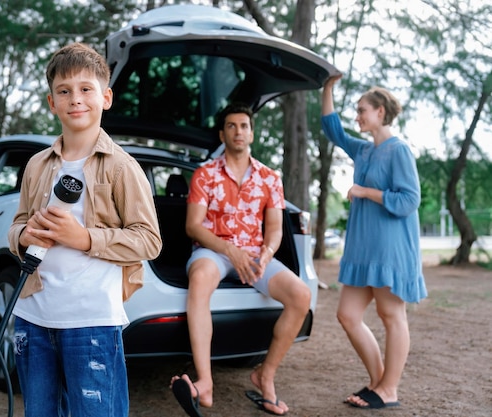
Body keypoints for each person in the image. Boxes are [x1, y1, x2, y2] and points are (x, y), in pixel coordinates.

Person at [8, 42, 162, 417]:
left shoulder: (122, 168)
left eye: (85, 89)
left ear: (106, 97)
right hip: (33, 316)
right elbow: (17, 225)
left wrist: (85, 238)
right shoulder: (36, 166)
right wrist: (24, 237)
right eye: (64, 91)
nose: (75, 99)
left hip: (90, 321)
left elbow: (149, 240)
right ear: (51, 102)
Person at [170, 103, 312, 416]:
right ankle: (204, 383)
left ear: (251, 131)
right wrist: (228, 250)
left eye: (244, 125)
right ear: (223, 134)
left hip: (254, 253)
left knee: (301, 295)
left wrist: (267, 252)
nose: (238, 131)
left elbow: (274, 228)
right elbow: (193, 226)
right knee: (200, 278)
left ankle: (266, 375)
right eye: (232, 126)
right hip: (212, 250)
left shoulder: (269, 177)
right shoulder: (205, 174)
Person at [321, 74, 427, 409]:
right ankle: (379, 381)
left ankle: (388, 389)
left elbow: (410, 199)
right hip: (363, 249)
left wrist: (365, 191)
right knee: (347, 315)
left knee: (391, 315)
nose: (358, 116)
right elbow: (333, 131)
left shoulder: (399, 151)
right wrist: (327, 89)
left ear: (380, 112)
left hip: (390, 249)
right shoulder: (365, 149)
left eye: (362, 110)